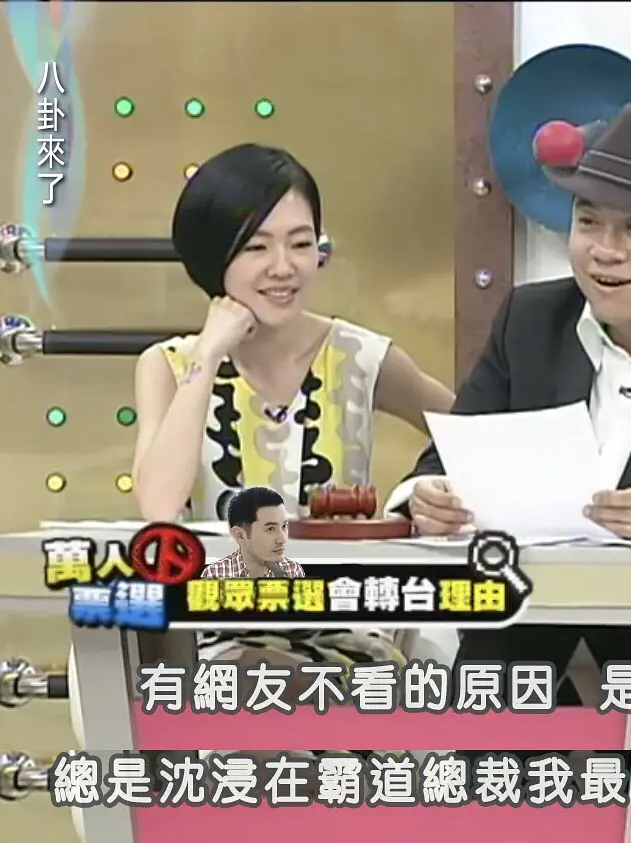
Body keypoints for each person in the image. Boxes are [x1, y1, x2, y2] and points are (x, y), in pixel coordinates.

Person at [387, 105, 631, 841]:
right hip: (515, 670)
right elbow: (448, 451)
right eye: (589, 222)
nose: (605, 251)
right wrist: (424, 496)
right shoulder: (530, 320)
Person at [127, 142, 453, 729]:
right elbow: (157, 504)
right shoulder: (170, 366)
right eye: (257, 247)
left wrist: (418, 495)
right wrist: (209, 356)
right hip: (217, 647)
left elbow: (473, 438)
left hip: (348, 643)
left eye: (302, 244)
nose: (284, 267)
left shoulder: (362, 356)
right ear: (214, 255)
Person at [200, 486, 304, 579]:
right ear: (240, 535)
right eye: (270, 529)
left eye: (284, 526)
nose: (282, 539)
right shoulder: (216, 575)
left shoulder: (292, 571)